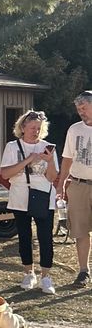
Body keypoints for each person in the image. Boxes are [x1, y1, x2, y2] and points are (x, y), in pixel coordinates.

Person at [0, 110, 59, 293]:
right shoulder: (12, 146)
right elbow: (5, 174)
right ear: (23, 127)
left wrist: (49, 161)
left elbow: (52, 178)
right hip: (20, 197)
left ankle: (46, 277)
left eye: (39, 128)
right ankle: (28, 273)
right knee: (25, 237)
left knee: (45, 238)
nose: (35, 131)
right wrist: (28, 160)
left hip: (43, 198)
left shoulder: (48, 146)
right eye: (32, 127)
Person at [54, 90, 92, 287]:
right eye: (78, 110)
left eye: (84, 108)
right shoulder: (74, 130)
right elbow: (67, 159)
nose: (81, 112)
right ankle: (83, 271)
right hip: (78, 185)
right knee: (80, 230)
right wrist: (61, 185)